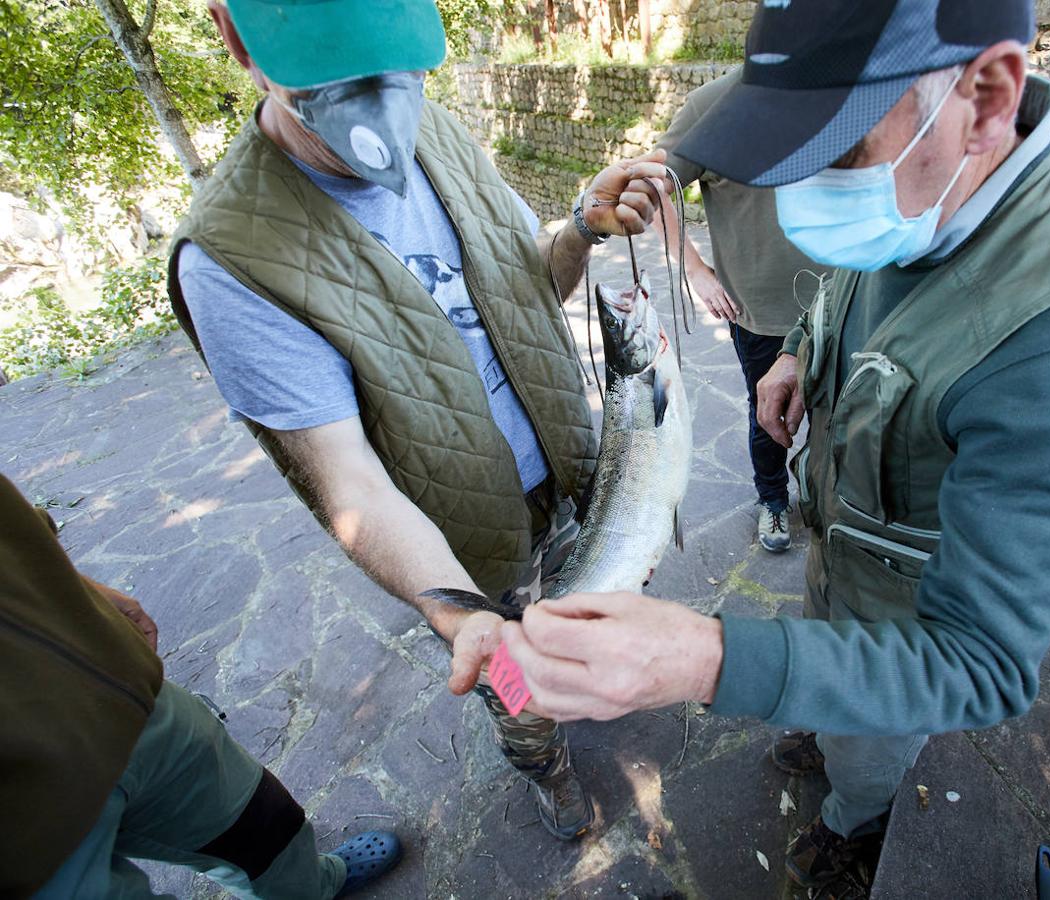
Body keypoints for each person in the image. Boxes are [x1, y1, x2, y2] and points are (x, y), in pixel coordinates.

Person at [498, 0, 1050, 891]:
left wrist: (707, 659)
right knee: (834, 684)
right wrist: (799, 350)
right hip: (846, 556)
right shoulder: (930, 181)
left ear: (986, 96)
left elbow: (977, 663)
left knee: (869, 753)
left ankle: (855, 823)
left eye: (837, 152)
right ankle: (831, 730)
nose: (801, 196)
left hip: (912, 626)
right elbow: (850, 277)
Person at [167, 0, 670, 841]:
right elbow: (349, 483)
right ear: (234, 36)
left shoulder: (431, 129)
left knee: (599, 612)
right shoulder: (229, 260)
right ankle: (539, 763)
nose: (382, 110)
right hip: (462, 546)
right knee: (509, 681)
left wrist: (580, 229)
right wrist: (455, 613)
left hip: (574, 472)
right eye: (339, 79)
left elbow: (528, 288)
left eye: (399, 72)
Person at [0, 474, 400, 898]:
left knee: (262, 823)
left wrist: (69, 583)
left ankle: (314, 887)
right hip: (24, 834)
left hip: (117, 694)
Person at [653, 68, 829, 552]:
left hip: (844, 298)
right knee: (769, 416)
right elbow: (653, 187)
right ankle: (772, 500)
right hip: (761, 310)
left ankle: (829, 499)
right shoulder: (712, 105)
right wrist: (696, 270)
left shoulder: (832, 85)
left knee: (844, 415)